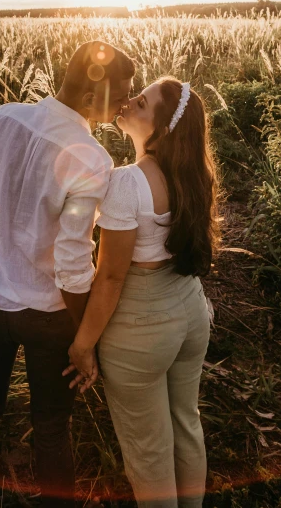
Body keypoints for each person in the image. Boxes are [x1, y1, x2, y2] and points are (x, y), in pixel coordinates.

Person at [0, 40, 135, 508]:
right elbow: (73, 264)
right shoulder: (91, 159)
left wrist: (3, 242)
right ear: (94, 96)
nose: (124, 107)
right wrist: (84, 334)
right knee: (52, 430)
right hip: (49, 314)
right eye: (121, 96)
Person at [64, 77, 219, 508]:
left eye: (142, 102)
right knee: (186, 423)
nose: (129, 102)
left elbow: (111, 278)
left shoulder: (128, 182)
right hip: (189, 311)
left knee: (149, 450)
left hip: (142, 327)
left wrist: (82, 344)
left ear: (162, 130)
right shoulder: (193, 173)